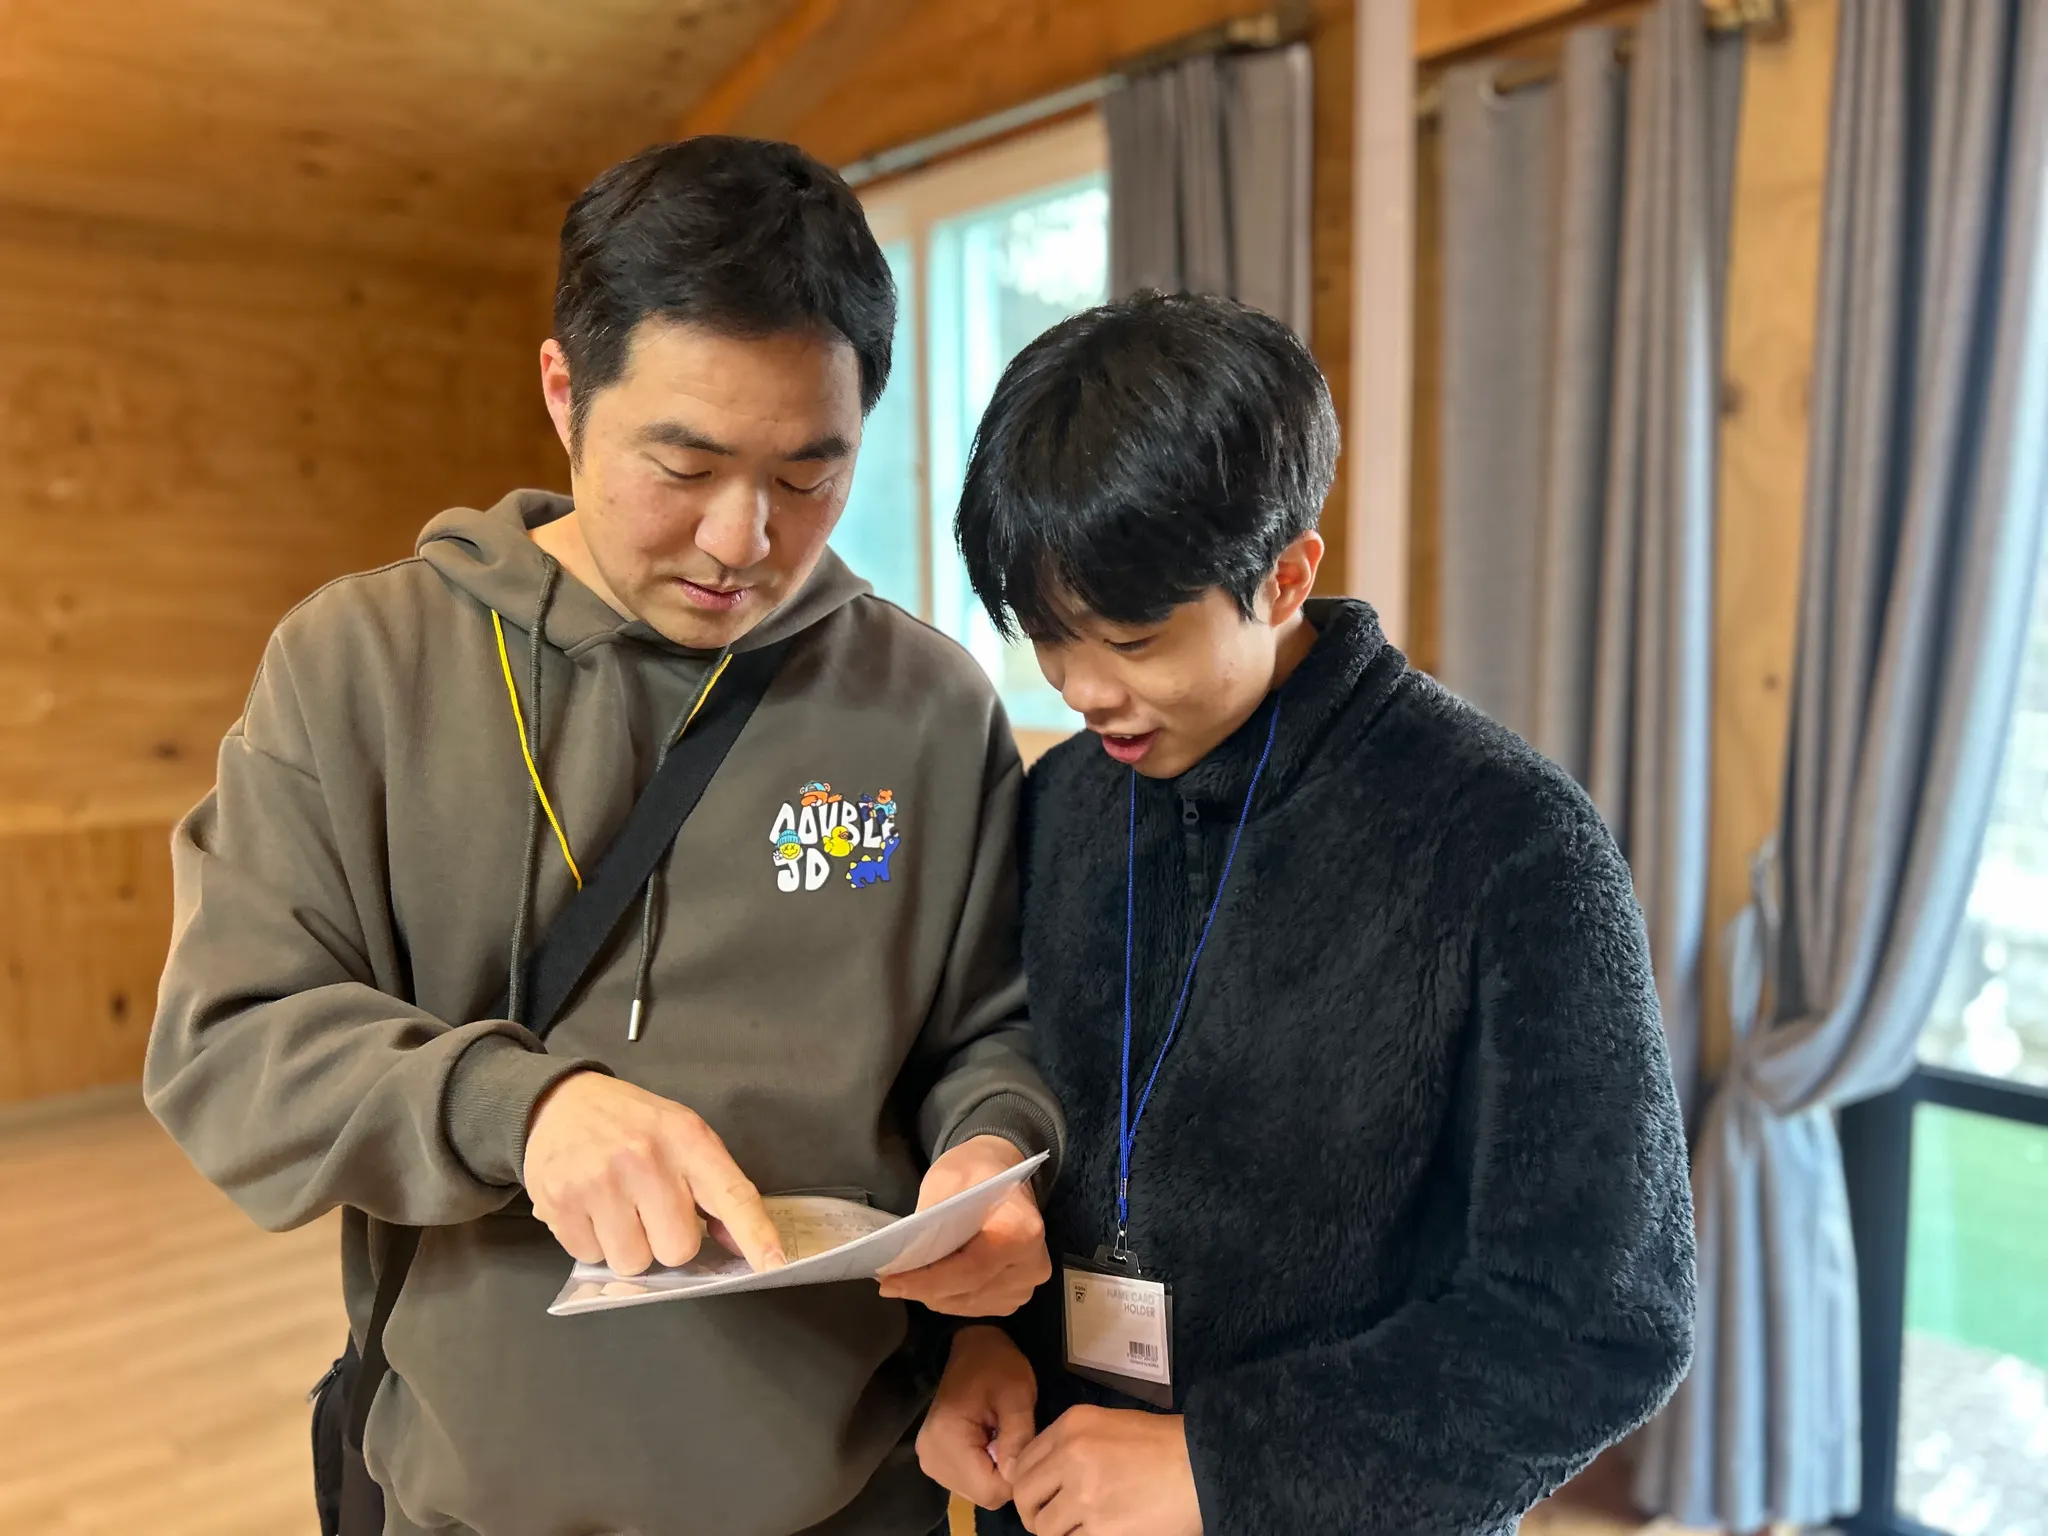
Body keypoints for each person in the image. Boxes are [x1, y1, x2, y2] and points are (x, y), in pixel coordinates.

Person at [146, 136, 1063, 1536]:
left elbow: (992, 1030)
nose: (742, 540)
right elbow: (227, 1042)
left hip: (849, 1494)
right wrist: (517, 1110)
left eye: (808, 476)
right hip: (470, 1495)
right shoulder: (360, 664)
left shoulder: (928, 705)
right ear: (563, 393)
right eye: (683, 465)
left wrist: (993, 1153)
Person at [919, 291, 1696, 1536]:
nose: (1081, 690)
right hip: (1053, 1503)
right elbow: (1017, 1135)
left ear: (1284, 576)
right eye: (1048, 640)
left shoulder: (1505, 840)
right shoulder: (1063, 802)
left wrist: (1220, 1466)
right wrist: (979, 1346)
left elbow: (1598, 1326)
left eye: (1132, 640)